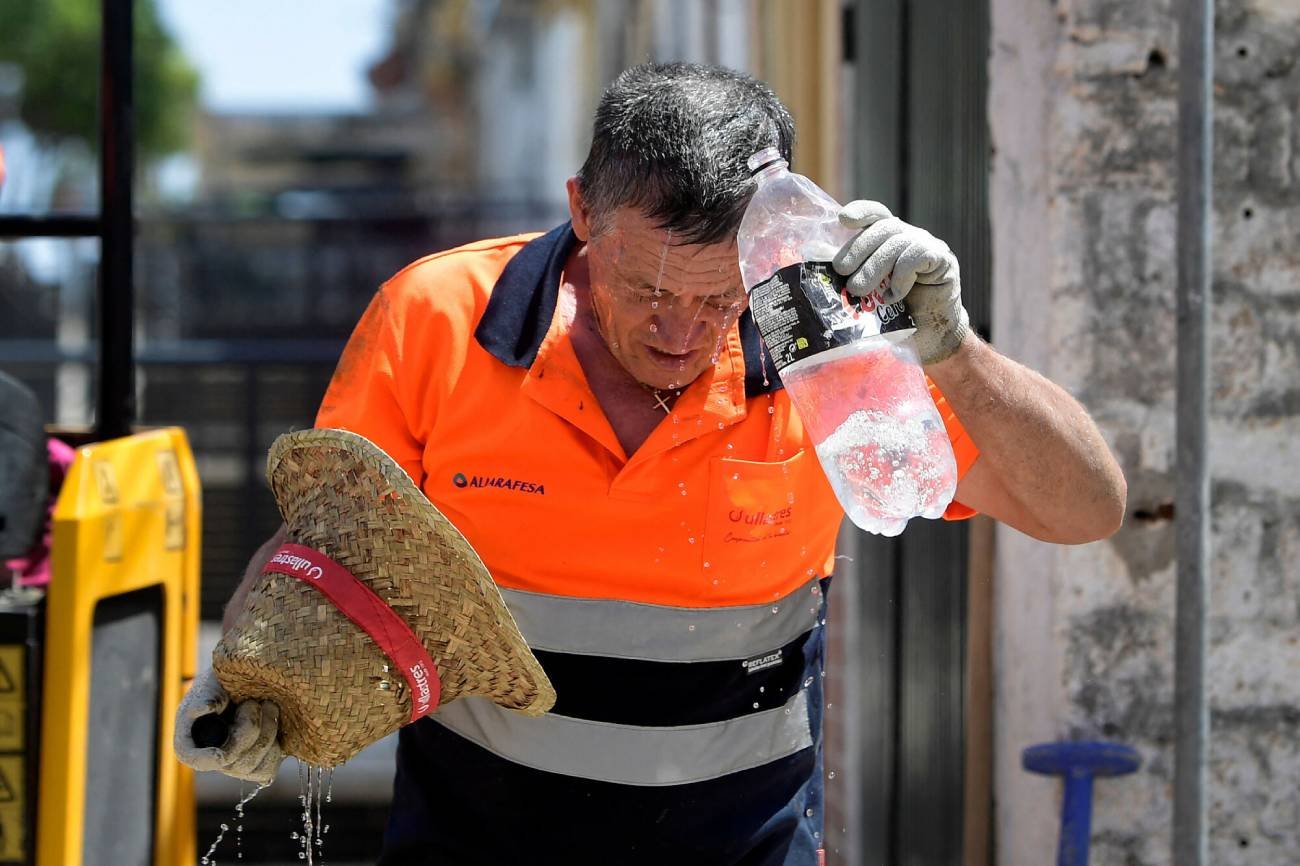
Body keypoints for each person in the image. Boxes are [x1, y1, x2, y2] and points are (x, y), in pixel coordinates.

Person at [176, 62, 1126, 865]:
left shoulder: (832, 348)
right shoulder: (438, 317)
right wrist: (253, 671)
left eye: (721, 300)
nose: (683, 334)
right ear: (583, 211)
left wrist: (952, 348)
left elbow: (1087, 509)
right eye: (647, 289)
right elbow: (326, 547)